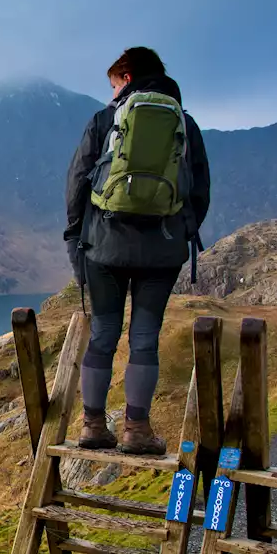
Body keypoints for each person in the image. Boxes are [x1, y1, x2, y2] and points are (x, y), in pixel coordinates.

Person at [64, 47, 210, 452]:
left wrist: (75, 235)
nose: (111, 95)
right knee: (145, 337)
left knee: (104, 333)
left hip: (104, 246)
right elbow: (199, 189)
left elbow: (77, 180)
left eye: (113, 85)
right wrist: (180, 230)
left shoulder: (104, 121)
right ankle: (136, 430)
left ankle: (92, 425)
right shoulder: (185, 125)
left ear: (126, 77)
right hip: (161, 250)